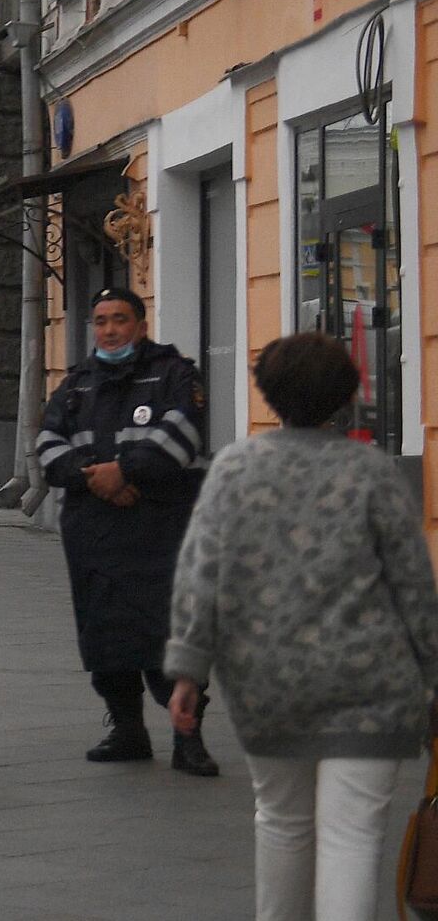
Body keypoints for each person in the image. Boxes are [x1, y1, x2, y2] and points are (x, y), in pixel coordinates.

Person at [165, 332, 438, 920]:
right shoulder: (371, 472)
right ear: (345, 395)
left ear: (268, 394)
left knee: (282, 823)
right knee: (353, 838)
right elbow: (414, 586)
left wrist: (189, 670)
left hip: (268, 685)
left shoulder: (235, 468)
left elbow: (201, 572)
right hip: (372, 687)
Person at [36, 286, 217, 775]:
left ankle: (188, 738)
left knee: (169, 634)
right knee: (105, 633)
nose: (110, 329)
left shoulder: (175, 374)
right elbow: (48, 443)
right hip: (95, 534)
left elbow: (183, 434)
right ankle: (127, 730)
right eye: (100, 321)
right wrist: (95, 479)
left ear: (140, 324)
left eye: (120, 319)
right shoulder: (76, 384)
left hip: (160, 530)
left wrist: (126, 472)